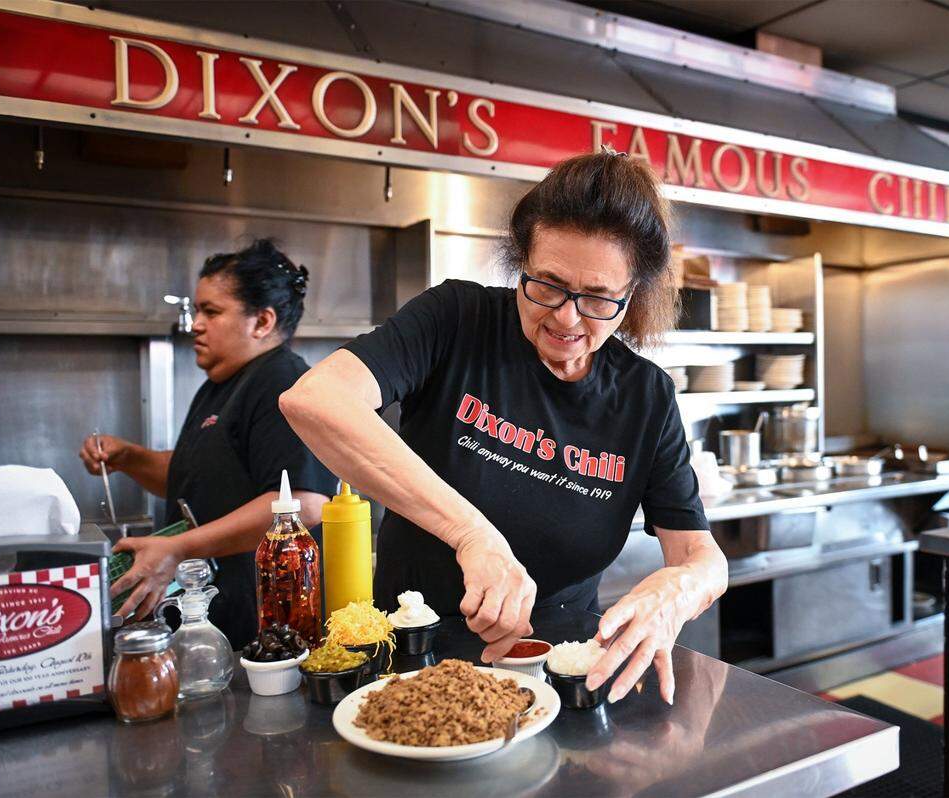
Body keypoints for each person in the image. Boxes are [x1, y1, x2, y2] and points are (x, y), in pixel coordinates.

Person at [281, 152, 727, 703]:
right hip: (411, 658)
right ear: (521, 262)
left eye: (597, 298)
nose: (566, 317)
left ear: (632, 296)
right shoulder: (457, 320)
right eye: (547, 284)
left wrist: (678, 590)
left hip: (559, 670)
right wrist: (474, 535)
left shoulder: (646, 396)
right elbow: (315, 400)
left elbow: (702, 559)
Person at [80, 239, 334, 647]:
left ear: (262, 322)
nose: (195, 323)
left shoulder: (282, 381)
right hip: (218, 613)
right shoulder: (220, 385)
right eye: (197, 310)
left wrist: (177, 548)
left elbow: (305, 504)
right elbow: (196, 479)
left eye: (211, 312)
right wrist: (130, 458)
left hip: (267, 624)